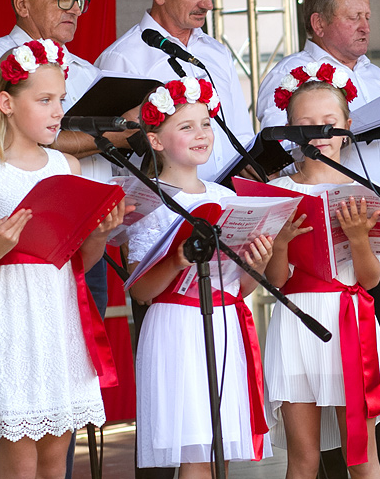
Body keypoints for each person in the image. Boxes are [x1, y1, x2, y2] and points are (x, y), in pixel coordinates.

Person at [256, 0, 380, 477]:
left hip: (377, 240)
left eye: (367, 15)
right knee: (316, 418)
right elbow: (276, 154)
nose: (365, 25)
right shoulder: (289, 79)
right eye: (351, 16)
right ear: (318, 23)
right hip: (316, 261)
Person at [0, 0, 121, 478]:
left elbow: (83, 256)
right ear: (7, 103)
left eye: (61, 100)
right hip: (7, 316)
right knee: (18, 460)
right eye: (46, 101)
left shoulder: (69, 164)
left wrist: (100, 232)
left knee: (58, 457)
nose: (58, 111)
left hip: (59, 313)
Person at [125, 78, 291, 475]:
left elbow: (240, 287)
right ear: (156, 140)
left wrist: (257, 261)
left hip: (225, 322)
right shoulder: (148, 200)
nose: (201, 134)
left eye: (206, 124)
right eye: (186, 127)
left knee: (221, 455)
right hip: (178, 327)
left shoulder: (226, 197)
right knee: (196, 454)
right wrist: (177, 260)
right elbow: (142, 290)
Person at [263, 63, 380, 479]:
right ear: (288, 132)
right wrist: (282, 240)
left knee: (361, 456)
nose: (319, 135)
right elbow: (274, 281)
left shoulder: (367, 191)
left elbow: (372, 279)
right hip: (295, 323)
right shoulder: (277, 191)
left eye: (328, 124)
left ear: (347, 127)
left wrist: (358, 236)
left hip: (349, 321)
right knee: (303, 460)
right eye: (306, 126)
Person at [95, 0, 254, 182]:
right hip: (166, 205)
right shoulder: (122, 58)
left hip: (228, 197)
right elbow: (113, 158)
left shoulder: (217, 52)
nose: (208, 4)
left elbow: (241, 133)